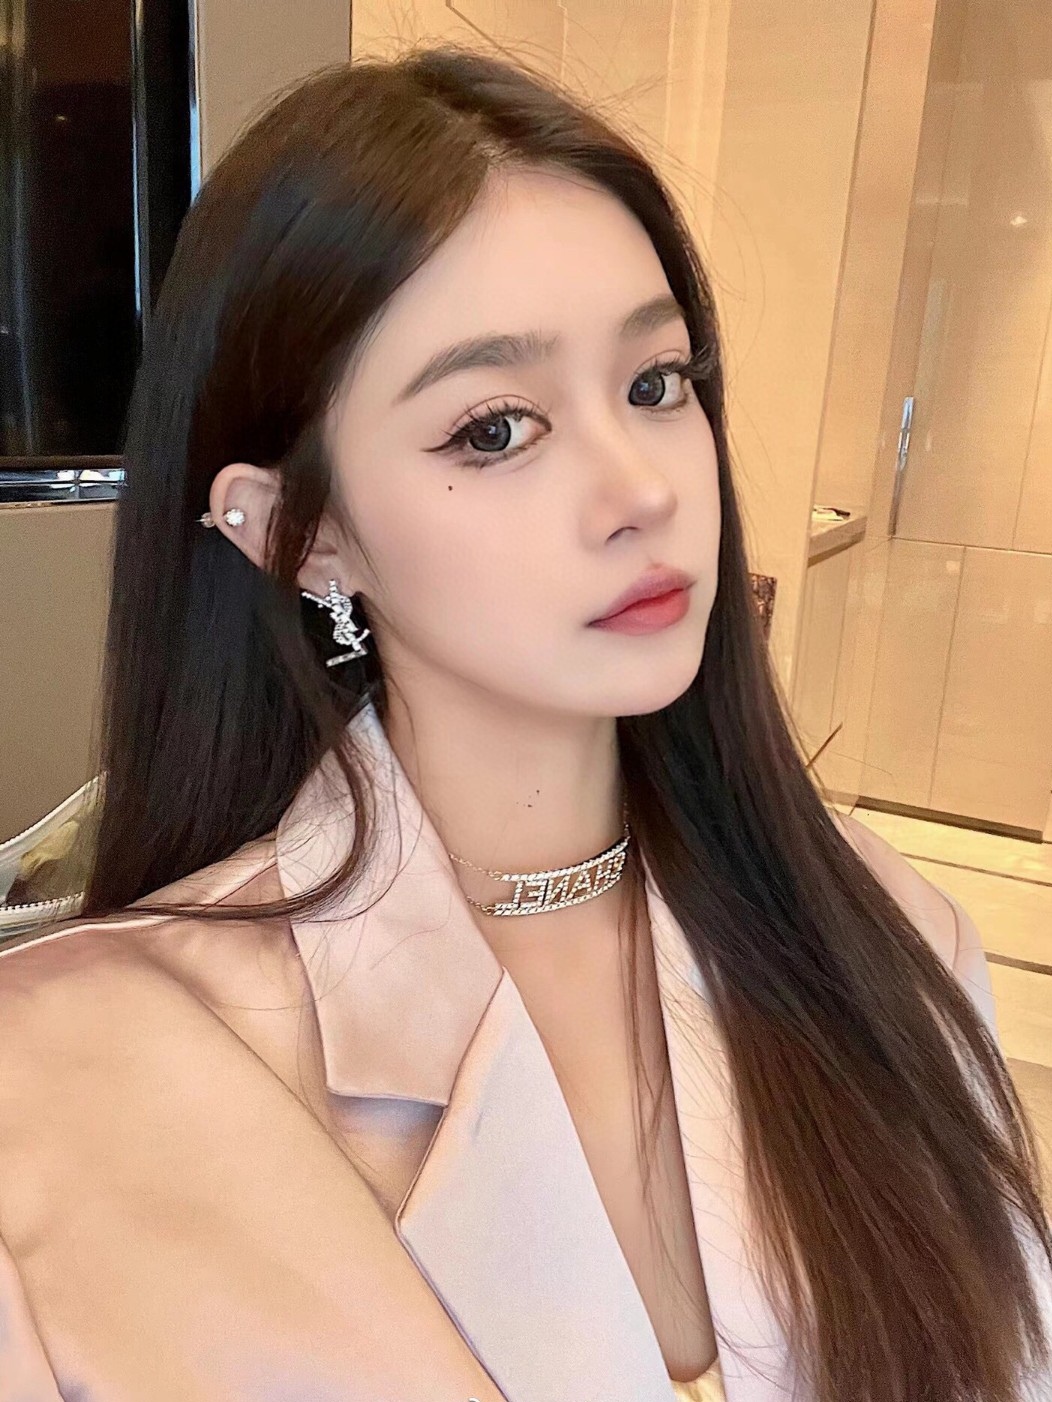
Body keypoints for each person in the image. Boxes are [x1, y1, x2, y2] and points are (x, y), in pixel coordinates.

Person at [0, 45, 1048, 1402]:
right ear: (300, 536)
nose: (642, 489)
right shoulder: (72, 1081)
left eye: (656, 384)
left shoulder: (891, 939)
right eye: (495, 428)